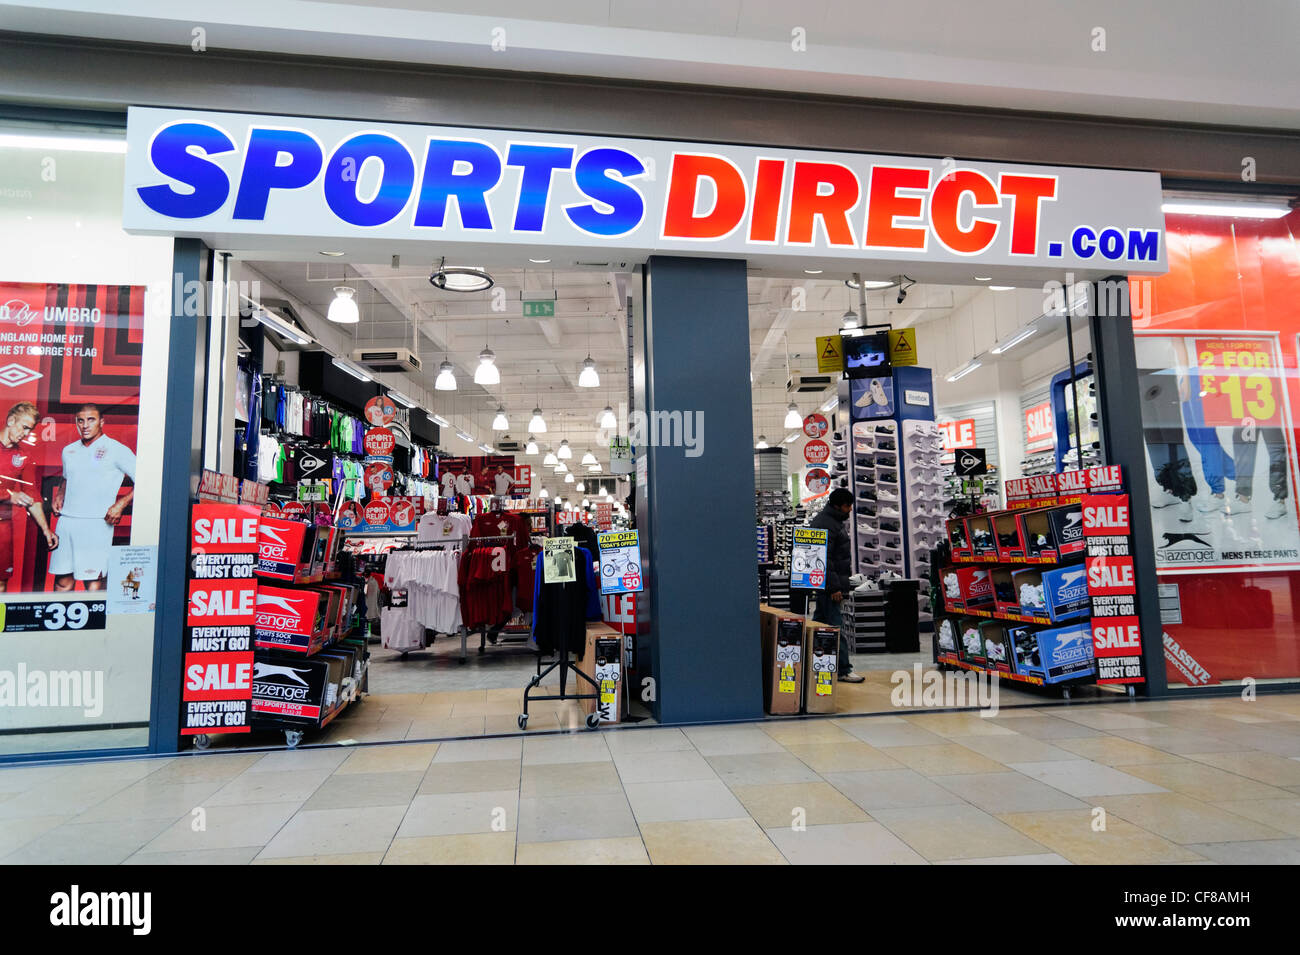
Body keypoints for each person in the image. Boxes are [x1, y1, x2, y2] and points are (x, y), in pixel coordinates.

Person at [51, 403, 135, 592]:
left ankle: (95, 623)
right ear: (76, 423)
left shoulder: (116, 449)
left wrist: (120, 505)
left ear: (101, 422)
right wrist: (60, 493)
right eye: (80, 420)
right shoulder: (69, 450)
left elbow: (145, 479)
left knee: (93, 585)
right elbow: (67, 477)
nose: (85, 425)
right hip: (67, 522)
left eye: (91, 420)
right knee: (62, 582)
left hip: (96, 524)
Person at [0, 401, 59, 591]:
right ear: (10, 420)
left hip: (3, 526)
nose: (25, 434)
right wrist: (9, 495)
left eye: (29, 430)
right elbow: (14, 495)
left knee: (1, 582)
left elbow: (32, 495)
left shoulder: (24, 456)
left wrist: (45, 529)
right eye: (24, 427)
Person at [810, 487, 864, 683]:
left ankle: (821, 666)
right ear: (837, 506)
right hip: (830, 587)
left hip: (828, 585)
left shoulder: (832, 522)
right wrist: (834, 587)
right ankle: (843, 669)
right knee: (835, 628)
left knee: (820, 625)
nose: (850, 509)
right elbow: (824, 559)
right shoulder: (827, 524)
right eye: (847, 506)